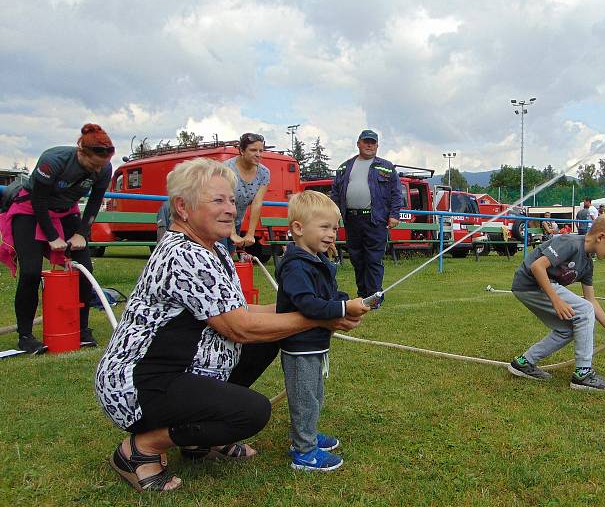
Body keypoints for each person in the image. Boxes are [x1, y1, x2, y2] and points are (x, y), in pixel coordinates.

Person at [95, 158, 362, 492]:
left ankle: (199, 440)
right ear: (182, 207)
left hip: (178, 370)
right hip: (141, 384)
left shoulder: (211, 248)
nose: (230, 210)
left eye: (233, 201)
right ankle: (140, 449)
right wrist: (322, 315)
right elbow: (240, 328)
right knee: (251, 413)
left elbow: (238, 310)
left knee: (272, 335)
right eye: (217, 201)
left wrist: (322, 310)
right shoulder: (184, 254)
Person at [276, 191, 371, 471]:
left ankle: (306, 435)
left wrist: (346, 301)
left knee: (314, 394)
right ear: (298, 228)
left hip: (314, 344)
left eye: (334, 228)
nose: (332, 234)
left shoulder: (316, 260)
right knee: (304, 397)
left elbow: (326, 294)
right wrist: (343, 309)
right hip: (300, 346)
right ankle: (303, 452)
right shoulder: (296, 265)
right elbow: (307, 303)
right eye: (325, 227)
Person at [0, 124, 113, 354]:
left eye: (100, 166)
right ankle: (25, 336)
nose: (96, 171)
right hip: (31, 210)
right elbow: (38, 201)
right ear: (81, 152)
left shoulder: (104, 168)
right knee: (31, 271)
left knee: (84, 271)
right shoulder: (53, 160)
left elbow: (94, 203)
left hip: (66, 211)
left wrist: (81, 233)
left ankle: (82, 329)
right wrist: (52, 237)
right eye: (92, 164)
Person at [507, 212, 605, 392]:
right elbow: (537, 266)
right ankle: (583, 374)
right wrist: (556, 300)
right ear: (601, 237)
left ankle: (523, 363)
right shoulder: (570, 243)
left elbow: (591, 300)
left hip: (534, 288)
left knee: (567, 329)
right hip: (529, 284)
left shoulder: (587, 264)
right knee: (584, 310)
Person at [330, 129, 402, 306]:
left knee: (373, 259)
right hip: (352, 220)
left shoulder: (386, 167)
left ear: (377, 146)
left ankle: (374, 298)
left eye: (373, 142)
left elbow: (396, 193)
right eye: (366, 142)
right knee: (357, 258)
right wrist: (333, 216)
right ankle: (362, 295)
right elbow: (335, 194)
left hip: (375, 220)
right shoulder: (344, 167)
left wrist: (394, 214)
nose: (369, 145)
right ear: (358, 143)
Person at [224, 132, 271, 252]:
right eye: (253, 150)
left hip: (236, 220)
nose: (258, 154)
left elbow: (257, 202)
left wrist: (250, 234)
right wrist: (233, 233)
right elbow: (226, 201)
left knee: (229, 256)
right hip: (218, 219)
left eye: (261, 151)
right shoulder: (227, 169)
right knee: (219, 257)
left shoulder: (264, 173)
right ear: (242, 151)